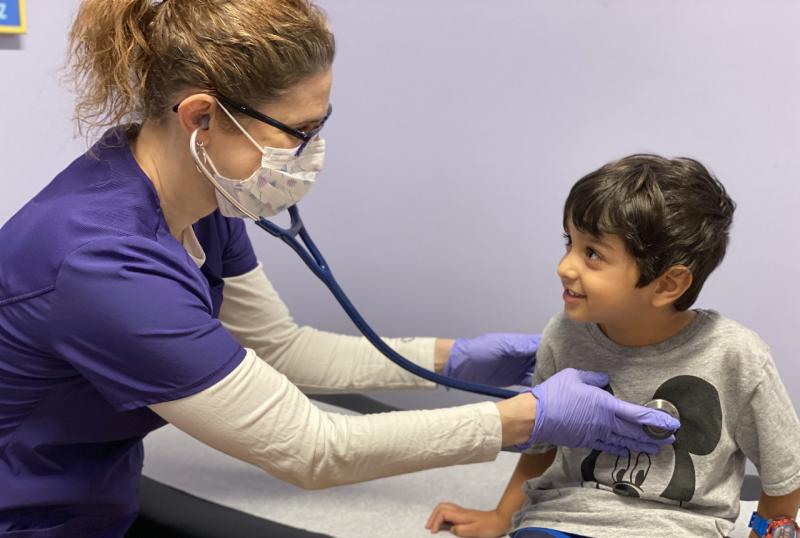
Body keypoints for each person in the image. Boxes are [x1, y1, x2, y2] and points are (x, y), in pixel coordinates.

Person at [0, 2, 679, 536]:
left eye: (320, 126)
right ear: (201, 118)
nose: (312, 152)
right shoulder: (103, 264)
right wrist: (529, 419)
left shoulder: (202, 199)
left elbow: (283, 350)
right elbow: (309, 449)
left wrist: (460, 360)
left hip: (93, 491)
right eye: (298, 131)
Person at [426, 155, 800, 538]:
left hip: (676, 528)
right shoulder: (564, 335)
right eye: (569, 242)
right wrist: (501, 517)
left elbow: (784, 478)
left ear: (668, 285)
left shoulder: (737, 357)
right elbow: (542, 450)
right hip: (565, 519)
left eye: (592, 254)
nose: (564, 266)